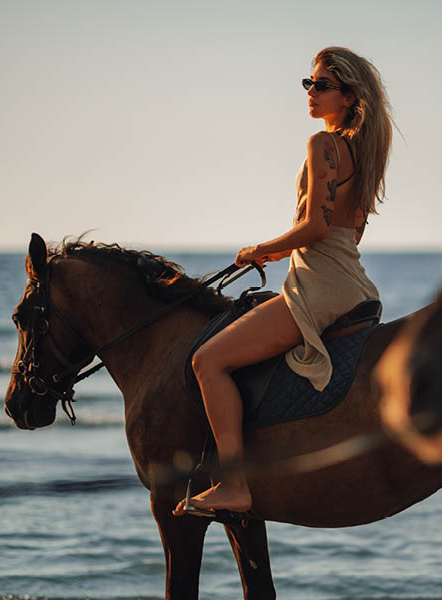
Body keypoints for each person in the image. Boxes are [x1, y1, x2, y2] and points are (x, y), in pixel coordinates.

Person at [173, 47, 392, 515]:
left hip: (319, 285)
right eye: (308, 83)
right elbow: (348, 230)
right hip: (352, 282)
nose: (311, 93)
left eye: (322, 85)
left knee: (208, 362)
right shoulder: (364, 153)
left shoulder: (323, 144)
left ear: (350, 97)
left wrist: (262, 249)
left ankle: (234, 485)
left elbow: (315, 227)